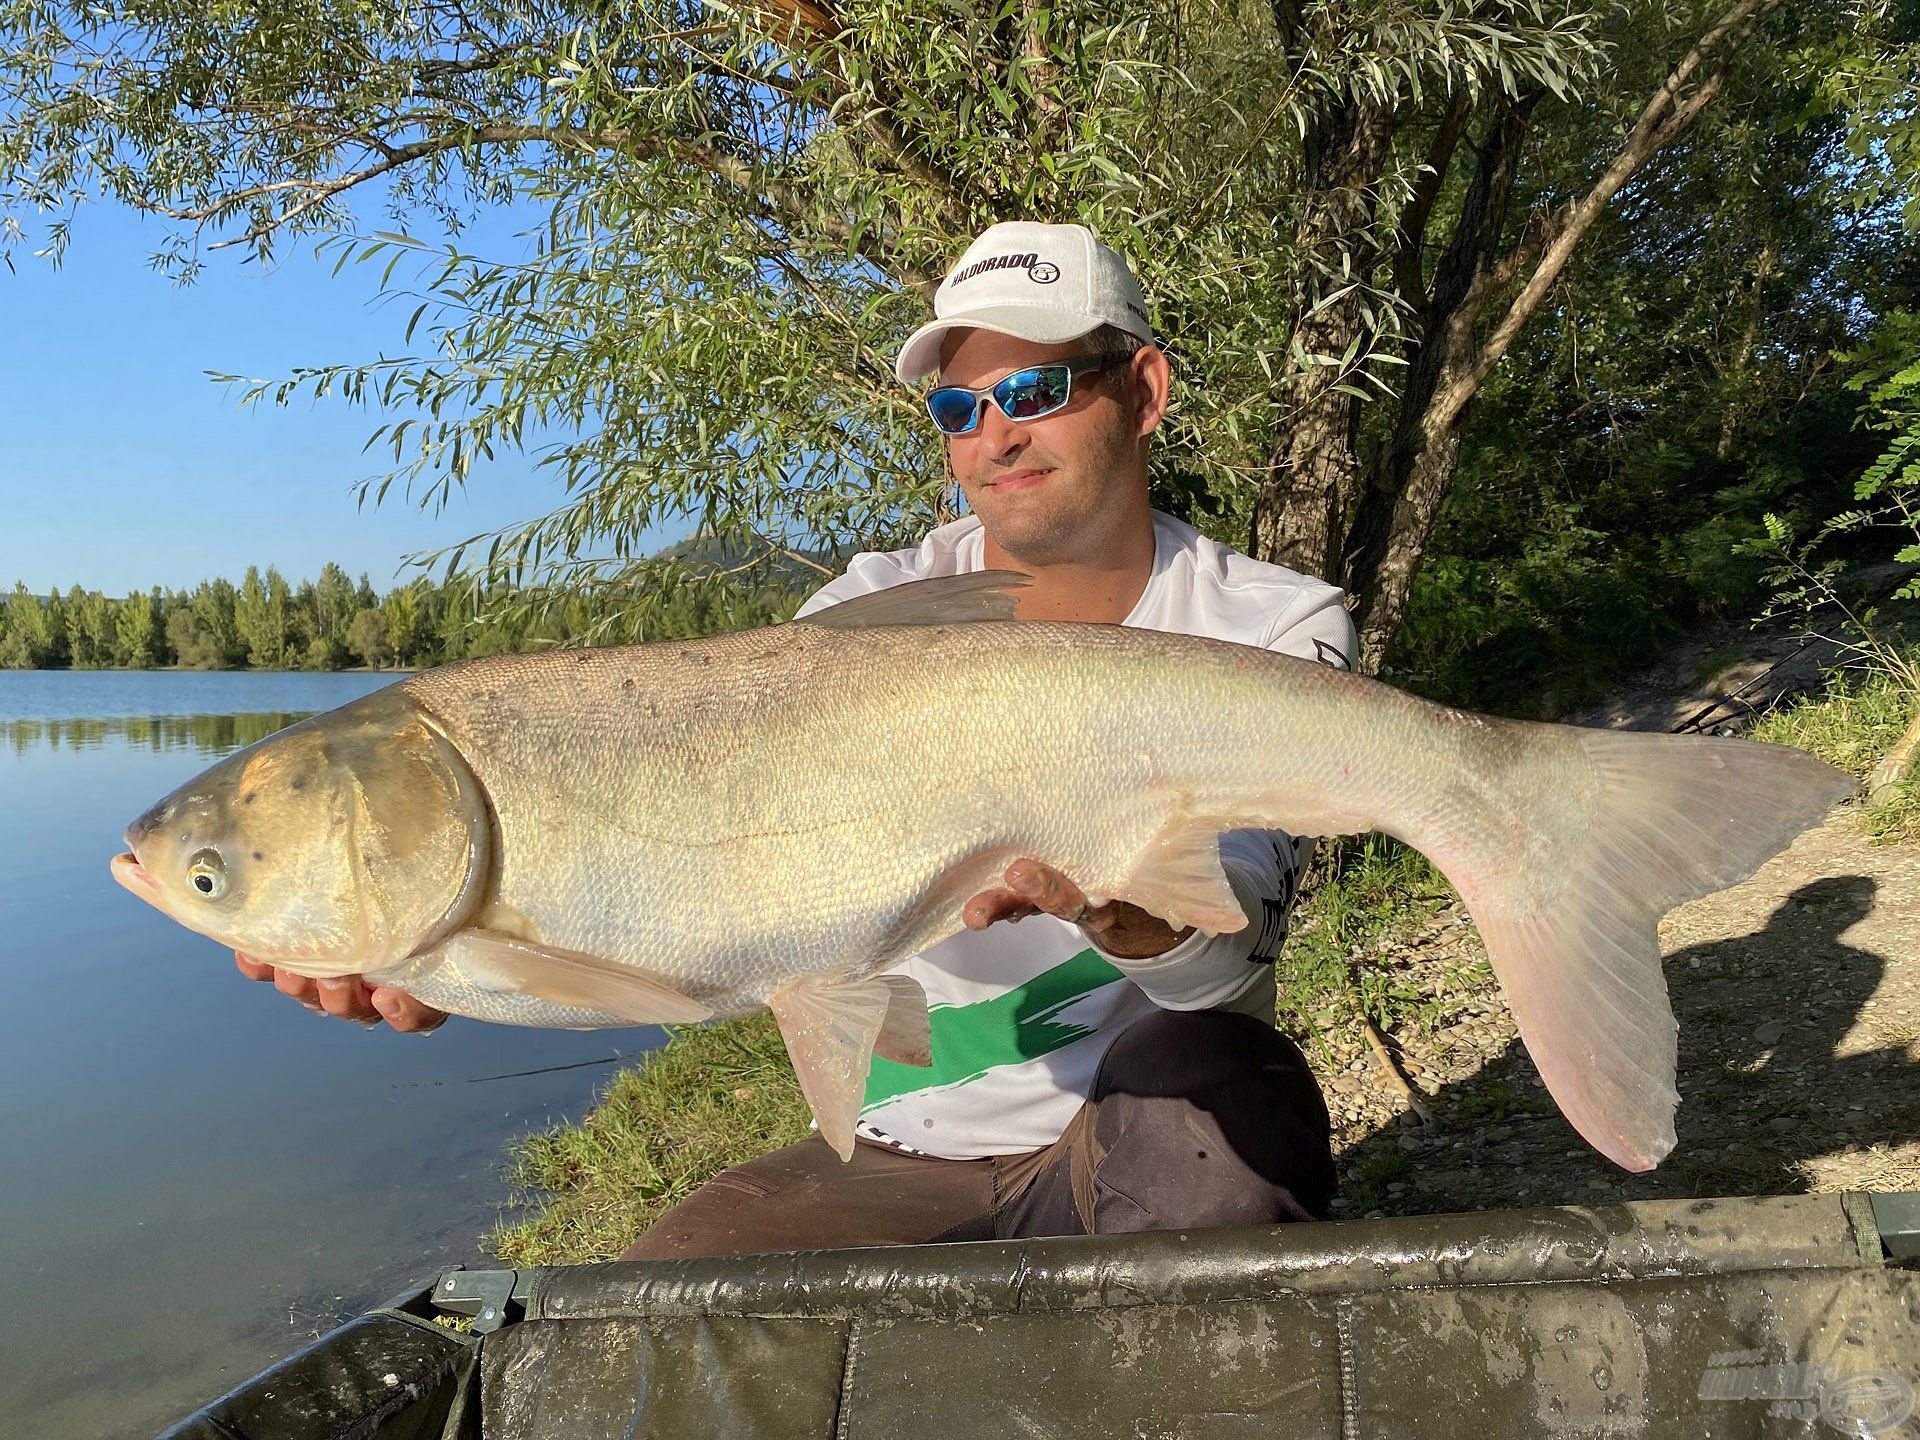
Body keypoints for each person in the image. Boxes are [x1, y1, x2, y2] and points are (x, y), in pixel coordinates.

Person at [239, 221, 1358, 1256]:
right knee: (655, 1303)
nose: (996, 435)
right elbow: (701, 886)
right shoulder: (856, 624)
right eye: (959, 410)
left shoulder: (1268, 627)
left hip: (1137, 1129)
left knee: (1232, 1096)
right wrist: (463, 955)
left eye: (1037, 388)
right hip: (902, 1158)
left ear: (1145, 390)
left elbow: (1234, 950)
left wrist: (1120, 909)